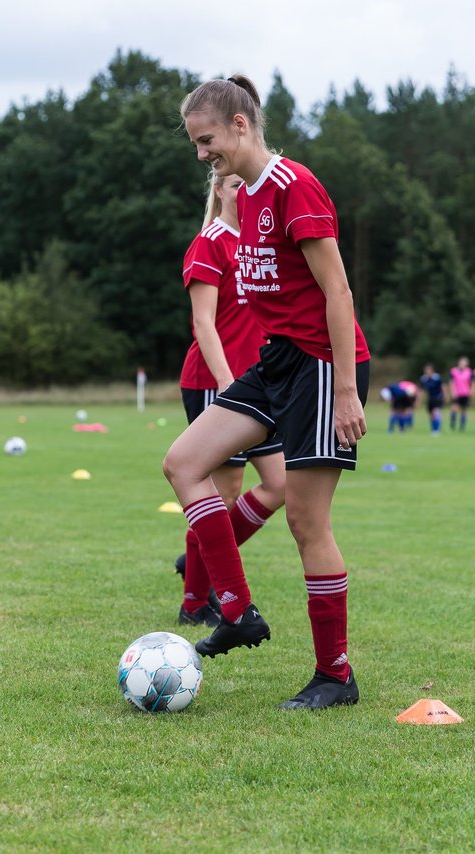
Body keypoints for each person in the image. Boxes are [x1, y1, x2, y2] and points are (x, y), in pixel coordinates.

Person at [165, 74, 370, 710]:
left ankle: (335, 676)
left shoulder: (292, 188)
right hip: (278, 360)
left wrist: (344, 390)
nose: (202, 153)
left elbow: (338, 292)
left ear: (240, 125)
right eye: (196, 143)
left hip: (318, 366)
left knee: (308, 522)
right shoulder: (246, 196)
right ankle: (236, 609)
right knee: (184, 463)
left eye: (207, 140)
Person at [174, 170, 287, 627]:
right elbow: (203, 324)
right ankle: (195, 602)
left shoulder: (261, 245)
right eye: (235, 184)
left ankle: (201, 554)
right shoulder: (210, 243)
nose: (244, 192)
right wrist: (226, 384)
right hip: (214, 384)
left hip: (261, 385)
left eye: (249, 184)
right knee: (223, 494)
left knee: (280, 484)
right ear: (218, 189)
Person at [448, 356, 474, 432]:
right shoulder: (454, 371)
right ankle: (452, 425)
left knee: (464, 411)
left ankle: (462, 427)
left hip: (465, 393)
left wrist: (472, 391)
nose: (462, 364)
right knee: (454, 409)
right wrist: (452, 391)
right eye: (461, 362)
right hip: (457, 393)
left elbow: (472, 382)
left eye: (464, 362)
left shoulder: (469, 371)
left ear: (466, 364)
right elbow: (451, 382)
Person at [418, 362, 445, 434]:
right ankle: (433, 428)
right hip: (430, 398)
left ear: (432, 370)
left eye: (429, 370)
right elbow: (421, 390)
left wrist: (445, 395)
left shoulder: (437, 377)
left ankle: (437, 430)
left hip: (438, 397)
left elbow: (443, 387)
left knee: (436, 412)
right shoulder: (423, 379)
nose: (428, 372)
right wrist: (418, 401)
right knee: (431, 415)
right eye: (426, 370)